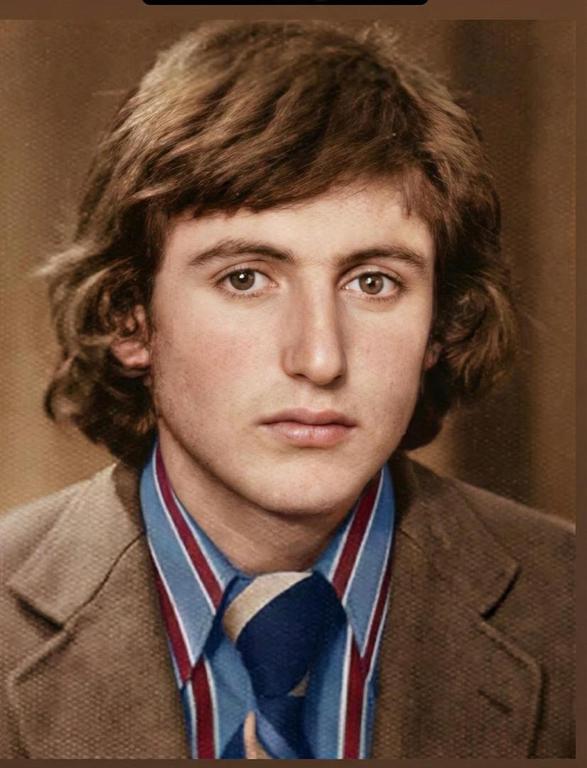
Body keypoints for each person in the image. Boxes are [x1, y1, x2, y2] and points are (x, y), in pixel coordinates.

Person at [0, 20, 574, 759]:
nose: (320, 357)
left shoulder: (565, 603)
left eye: (373, 283)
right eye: (245, 279)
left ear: (441, 324)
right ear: (129, 317)